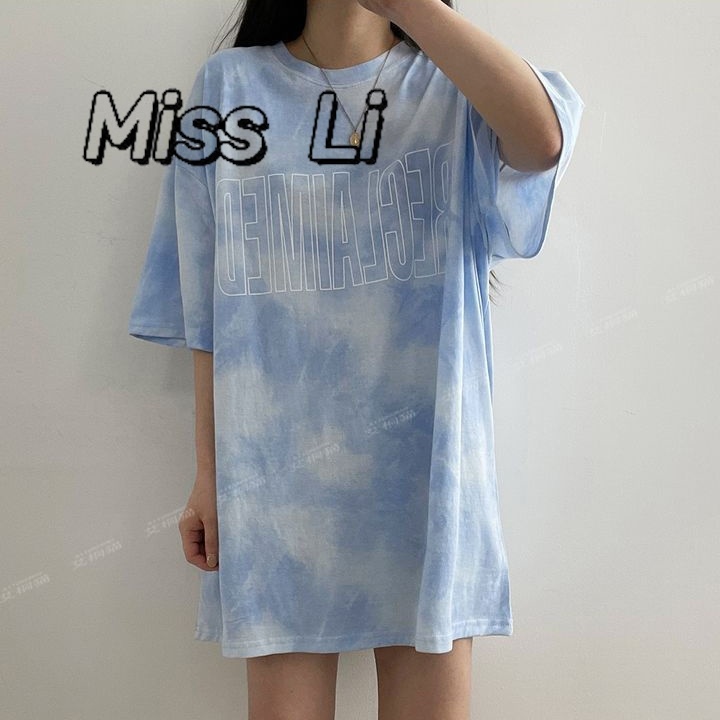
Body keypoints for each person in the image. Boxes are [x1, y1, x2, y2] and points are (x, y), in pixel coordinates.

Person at [127, 0, 585, 717]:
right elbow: (207, 309)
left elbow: (544, 141)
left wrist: (412, 8)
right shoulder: (229, 87)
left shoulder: (452, 83)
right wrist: (208, 478)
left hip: (429, 478)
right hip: (276, 488)